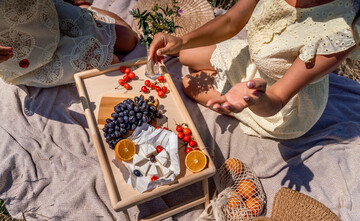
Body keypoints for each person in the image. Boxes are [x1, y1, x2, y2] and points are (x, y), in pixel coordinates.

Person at [148, 0, 359, 139]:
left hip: (283, 103)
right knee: (185, 54)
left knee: (188, 84)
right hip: (253, 58)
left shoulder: (342, 31)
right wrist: (181, 40)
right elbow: (231, 21)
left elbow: (277, 99)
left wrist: (257, 99)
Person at [0, 0, 137, 87]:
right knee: (113, 63)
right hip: (30, 56)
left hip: (46, 13)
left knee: (129, 40)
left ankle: (79, 7)